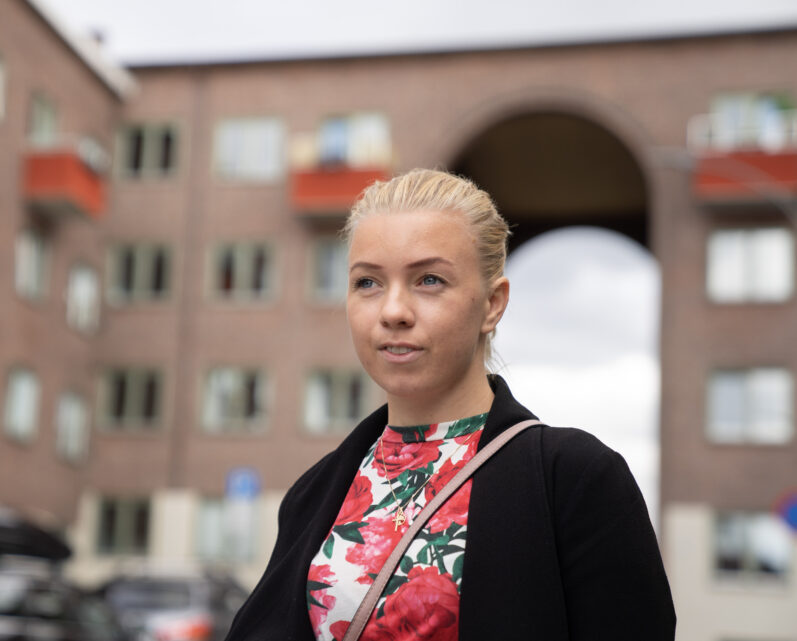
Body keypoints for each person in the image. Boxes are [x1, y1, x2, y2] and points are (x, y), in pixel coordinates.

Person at [224, 169, 676, 641]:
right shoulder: (314, 492)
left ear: (492, 304)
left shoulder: (575, 480)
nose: (393, 311)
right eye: (368, 283)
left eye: (429, 280)